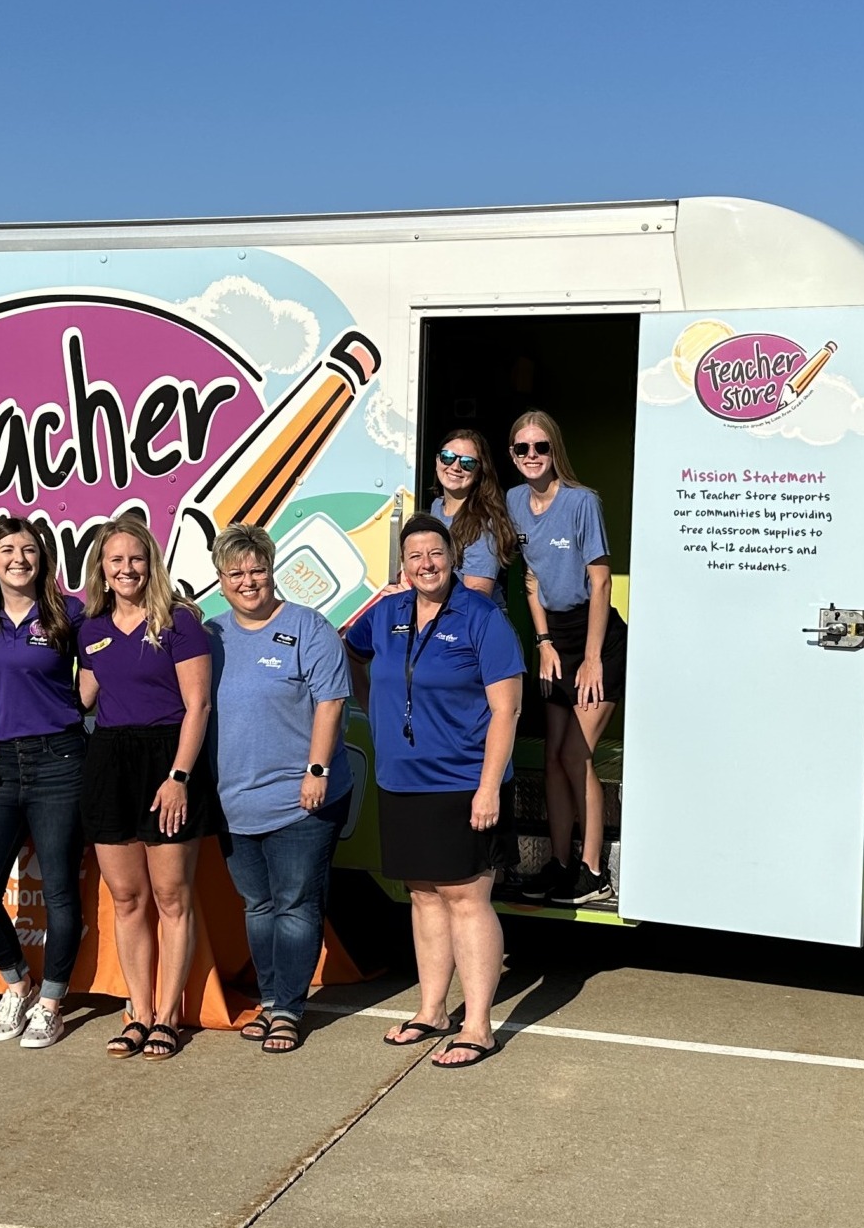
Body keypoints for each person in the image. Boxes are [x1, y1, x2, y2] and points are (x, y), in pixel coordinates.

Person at [344, 512, 521, 1069]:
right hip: (402, 781)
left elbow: (507, 709)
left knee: (466, 899)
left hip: (465, 782)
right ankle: (432, 1010)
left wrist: (489, 787)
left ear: (453, 559)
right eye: (415, 556)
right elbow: (352, 648)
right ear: (403, 564)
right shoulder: (389, 613)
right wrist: (375, 704)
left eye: (436, 554)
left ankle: (477, 1026)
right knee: (422, 895)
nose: (426, 564)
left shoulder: (482, 616)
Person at [204, 524, 352, 1056]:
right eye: (236, 572)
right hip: (233, 801)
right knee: (258, 905)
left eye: (257, 569)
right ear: (220, 581)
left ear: (273, 569)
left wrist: (317, 771)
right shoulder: (211, 635)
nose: (249, 581)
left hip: (301, 799)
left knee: (296, 905)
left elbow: (332, 702)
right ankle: (270, 1001)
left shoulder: (309, 628)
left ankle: (289, 1007)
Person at [76, 514, 215, 1062]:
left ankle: (167, 1017)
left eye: (136, 558)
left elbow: (198, 705)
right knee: (128, 899)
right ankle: (138, 1011)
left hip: (167, 761)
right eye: (116, 560)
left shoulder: (179, 623)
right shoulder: (90, 629)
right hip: (109, 762)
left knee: (171, 897)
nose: (127, 568)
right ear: (103, 571)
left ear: (151, 563)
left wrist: (179, 777)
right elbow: (83, 697)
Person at [0, 516, 86, 1049]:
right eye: (7, 549)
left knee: (59, 891)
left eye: (30, 550)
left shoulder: (69, 612)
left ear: (44, 559)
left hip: (60, 760)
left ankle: (52, 1002)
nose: (19, 558)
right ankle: (18, 982)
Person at [505, 409, 627, 907]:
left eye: (541, 447)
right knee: (554, 758)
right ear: (513, 455)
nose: (532, 456)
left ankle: (593, 871)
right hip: (555, 641)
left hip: (597, 639)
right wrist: (543, 642)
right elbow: (530, 580)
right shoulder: (514, 501)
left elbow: (600, 581)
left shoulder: (582, 502)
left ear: (555, 451)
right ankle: (559, 865)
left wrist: (592, 659)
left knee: (577, 755)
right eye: (522, 449)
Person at [431, 430, 520, 605]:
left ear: (479, 472)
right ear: (437, 461)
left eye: (468, 463)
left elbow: (476, 598)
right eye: (448, 457)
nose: (455, 467)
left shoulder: (484, 524)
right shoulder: (436, 506)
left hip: (473, 624)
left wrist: (417, 597)